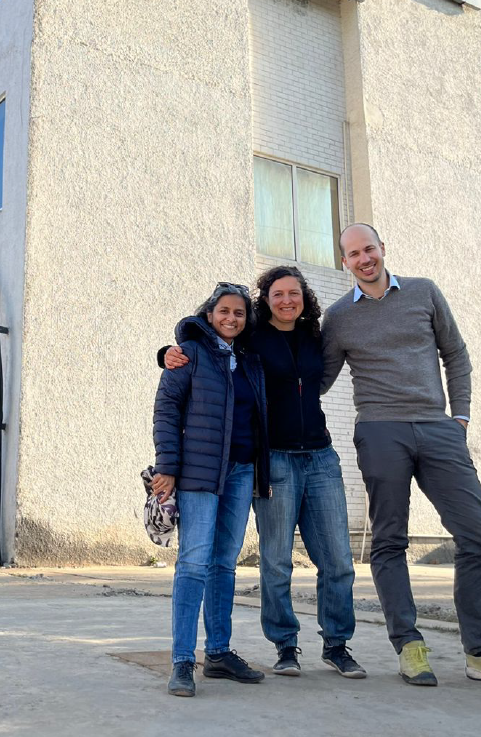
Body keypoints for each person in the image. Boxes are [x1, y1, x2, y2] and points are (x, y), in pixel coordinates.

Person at [323, 222, 481, 688]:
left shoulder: (423, 292)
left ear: (383, 248)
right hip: (381, 430)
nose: (364, 259)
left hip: (438, 427)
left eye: (369, 249)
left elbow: (456, 355)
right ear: (343, 261)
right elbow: (315, 380)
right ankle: (409, 646)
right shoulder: (340, 317)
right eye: (353, 254)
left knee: (477, 534)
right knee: (389, 540)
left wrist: (459, 418)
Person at [162, 267, 365, 679]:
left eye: (294, 292)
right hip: (244, 465)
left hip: (286, 462)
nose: (287, 300)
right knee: (234, 561)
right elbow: (177, 388)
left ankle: (326, 645)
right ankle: (247, 651)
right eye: (278, 294)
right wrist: (168, 352)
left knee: (326, 560)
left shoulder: (294, 343)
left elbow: (319, 381)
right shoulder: (224, 346)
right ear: (265, 300)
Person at [152, 282, 270, 697]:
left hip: (241, 472)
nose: (231, 319)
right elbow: (166, 407)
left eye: (239, 313)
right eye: (224, 311)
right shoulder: (190, 354)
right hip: (199, 473)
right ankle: (183, 661)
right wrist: (167, 466)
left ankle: (218, 653)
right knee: (194, 562)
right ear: (210, 314)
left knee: (224, 563)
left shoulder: (250, 359)